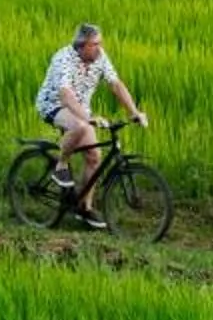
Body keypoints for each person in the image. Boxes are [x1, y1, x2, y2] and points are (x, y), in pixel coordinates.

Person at [38, 22, 147, 230]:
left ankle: (84, 209)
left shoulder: (99, 57)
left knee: (94, 157)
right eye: (94, 44)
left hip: (80, 111)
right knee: (79, 126)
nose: (99, 47)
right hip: (54, 105)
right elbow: (65, 94)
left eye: (100, 43)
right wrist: (86, 118)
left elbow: (115, 84)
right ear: (81, 46)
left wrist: (134, 112)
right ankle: (60, 166)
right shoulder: (64, 59)